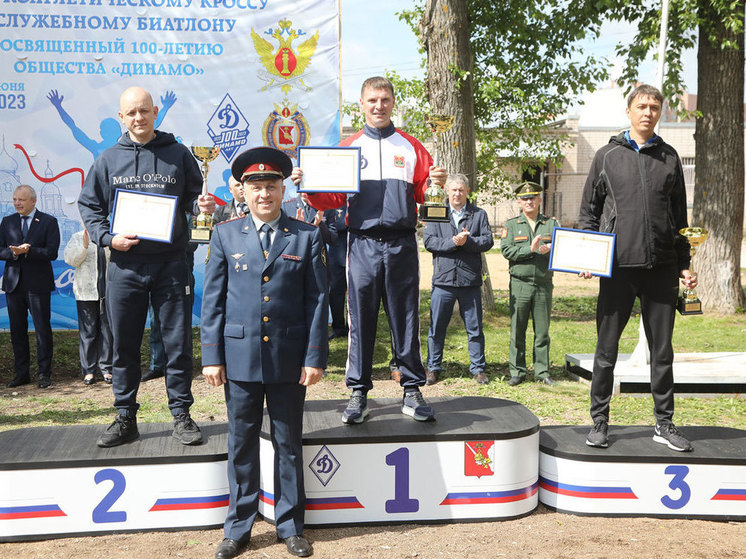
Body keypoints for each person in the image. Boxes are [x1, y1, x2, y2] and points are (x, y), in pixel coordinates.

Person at [292, 76, 446, 424]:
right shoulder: (347, 147)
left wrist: (436, 181)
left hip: (402, 243)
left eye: (385, 100)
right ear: (361, 105)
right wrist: (309, 186)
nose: (379, 106)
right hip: (360, 243)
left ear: (393, 103)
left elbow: (424, 194)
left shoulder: (412, 147)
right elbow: (330, 198)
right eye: (372, 100)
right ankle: (359, 392)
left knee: (405, 317)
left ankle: (411, 388)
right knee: (359, 318)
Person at [201, 147, 328, 559]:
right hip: (238, 358)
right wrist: (211, 355)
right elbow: (213, 302)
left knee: (288, 442)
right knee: (241, 442)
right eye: (256, 187)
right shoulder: (224, 234)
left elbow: (317, 301)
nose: (264, 194)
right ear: (243, 190)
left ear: (282, 189)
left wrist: (314, 357)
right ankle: (238, 527)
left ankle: (290, 525)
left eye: (271, 186)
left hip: (290, 359)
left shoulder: (306, 236)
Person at [78, 86, 215, 448]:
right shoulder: (108, 159)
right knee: (123, 344)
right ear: (121, 117)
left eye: (144, 111)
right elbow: (89, 206)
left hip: (171, 264)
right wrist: (108, 239)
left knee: (177, 344)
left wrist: (201, 207)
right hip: (125, 266)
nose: (138, 118)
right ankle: (125, 415)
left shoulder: (179, 154)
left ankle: (182, 414)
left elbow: (192, 197)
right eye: (131, 113)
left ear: (155, 112)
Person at [578, 84, 695, 452]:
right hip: (617, 269)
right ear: (629, 110)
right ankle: (599, 421)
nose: (648, 112)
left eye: (655, 107)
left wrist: (683, 265)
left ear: (660, 113)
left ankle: (664, 423)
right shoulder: (606, 156)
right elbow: (588, 214)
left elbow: (680, 218)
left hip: (661, 269)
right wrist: (587, 257)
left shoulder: (670, 157)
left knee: (663, 352)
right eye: (642, 106)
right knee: (606, 350)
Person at [423, 174, 494, 385]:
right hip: (443, 282)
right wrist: (453, 242)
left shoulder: (478, 214)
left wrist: (468, 242)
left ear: (467, 191)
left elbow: (487, 240)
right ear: (446, 191)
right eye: (453, 190)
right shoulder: (436, 212)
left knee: (474, 329)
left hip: (469, 282)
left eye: (461, 190)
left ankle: (478, 368)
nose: (457, 193)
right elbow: (429, 241)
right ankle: (433, 367)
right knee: (436, 328)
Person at [0, 185, 60, 389]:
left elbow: (52, 252)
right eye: (15, 199)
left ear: (33, 201)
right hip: (13, 284)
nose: (17, 203)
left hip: (38, 285)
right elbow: (0, 250)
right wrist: (14, 253)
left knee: (42, 330)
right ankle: (22, 373)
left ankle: (44, 373)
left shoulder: (49, 221)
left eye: (22, 200)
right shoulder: (7, 221)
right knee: (17, 331)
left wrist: (29, 251)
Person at [500, 182, 559, 387]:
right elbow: (507, 251)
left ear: (539, 200)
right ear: (519, 202)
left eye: (533, 197)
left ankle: (542, 371)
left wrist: (551, 248)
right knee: (518, 329)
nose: (529, 201)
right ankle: (517, 371)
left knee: (542, 331)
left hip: (543, 284)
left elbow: (563, 250)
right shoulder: (511, 225)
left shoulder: (552, 224)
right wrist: (530, 249)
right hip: (520, 284)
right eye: (525, 199)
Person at [63, 228, 112, 385]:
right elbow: (71, 260)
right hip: (86, 291)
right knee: (88, 332)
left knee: (108, 330)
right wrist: (83, 247)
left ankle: (107, 368)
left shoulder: (110, 236)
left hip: (109, 291)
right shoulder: (77, 237)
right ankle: (89, 371)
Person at [326, 205, 348, 340]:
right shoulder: (334, 200)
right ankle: (339, 327)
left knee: (357, 292)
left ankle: (355, 327)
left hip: (356, 247)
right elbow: (337, 225)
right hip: (336, 249)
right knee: (335, 291)